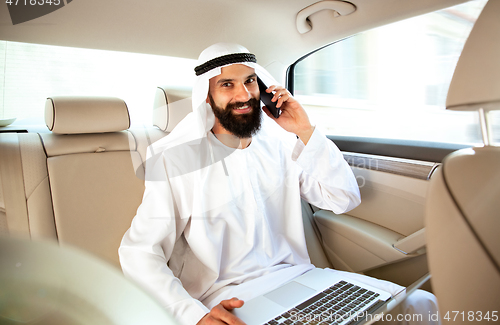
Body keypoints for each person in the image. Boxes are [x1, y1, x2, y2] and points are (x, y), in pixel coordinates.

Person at [119, 43, 439, 325]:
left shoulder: (279, 142)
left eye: (249, 82)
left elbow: (343, 198)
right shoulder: (174, 160)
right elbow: (139, 251)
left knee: (421, 304)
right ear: (206, 95)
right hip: (231, 299)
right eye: (227, 85)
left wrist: (305, 130)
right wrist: (192, 315)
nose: (243, 94)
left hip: (303, 280)